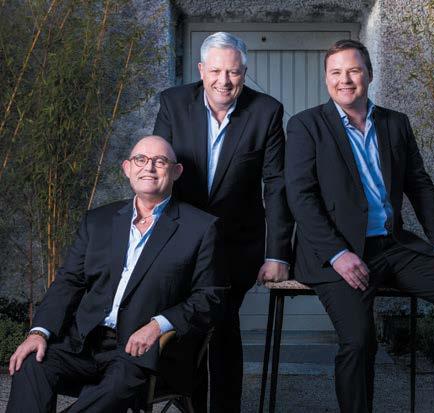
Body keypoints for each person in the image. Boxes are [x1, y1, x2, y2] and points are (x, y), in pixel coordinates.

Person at [284, 39, 434, 413]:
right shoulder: (306, 125)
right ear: (326, 79)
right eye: (336, 72)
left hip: (392, 245)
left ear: (369, 74)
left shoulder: (395, 123)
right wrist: (338, 253)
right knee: (359, 340)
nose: (345, 79)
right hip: (337, 252)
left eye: (353, 70)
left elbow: (421, 186)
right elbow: (301, 198)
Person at [7, 136, 225, 412]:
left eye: (160, 161)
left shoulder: (200, 228)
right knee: (32, 363)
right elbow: (68, 281)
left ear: (176, 171)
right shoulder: (98, 221)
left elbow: (210, 297)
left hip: (142, 352)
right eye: (140, 160)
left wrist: (158, 325)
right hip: (83, 342)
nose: (149, 167)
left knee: (117, 387)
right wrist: (38, 332)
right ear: (127, 168)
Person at [153, 31, 293, 412]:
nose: (224, 81)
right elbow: (157, 170)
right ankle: (193, 405)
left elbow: (276, 185)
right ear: (201, 70)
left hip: (237, 244)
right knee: (191, 328)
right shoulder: (173, 104)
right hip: (181, 241)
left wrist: (277, 253)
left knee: (223, 323)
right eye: (215, 71)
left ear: (244, 73)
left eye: (233, 72)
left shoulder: (266, 112)